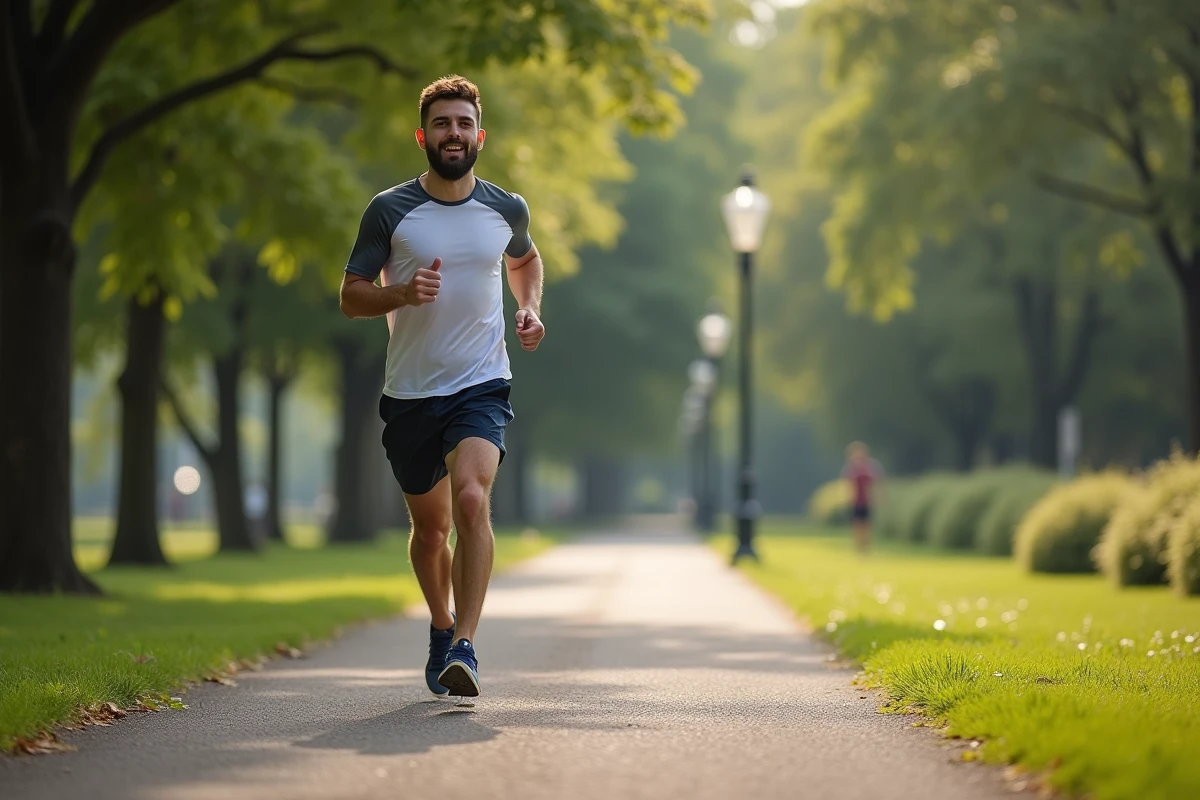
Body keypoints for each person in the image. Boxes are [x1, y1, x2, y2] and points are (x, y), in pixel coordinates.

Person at [338, 75, 546, 699]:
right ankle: (441, 624)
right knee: (430, 533)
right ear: (422, 136)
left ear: (479, 136)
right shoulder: (390, 210)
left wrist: (530, 307)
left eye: (463, 123)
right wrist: (401, 294)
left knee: (472, 501)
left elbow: (524, 259)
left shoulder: (505, 208)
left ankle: (466, 647)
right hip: (410, 392)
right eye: (441, 124)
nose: (453, 133)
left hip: (482, 382)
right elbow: (351, 296)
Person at [841, 442, 883, 555]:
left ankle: (866, 547)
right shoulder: (851, 468)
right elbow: (848, 485)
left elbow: (875, 483)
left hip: (867, 501)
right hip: (856, 501)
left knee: (867, 525)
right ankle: (859, 547)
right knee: (857, 525)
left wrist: (877, 497)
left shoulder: (870, 467)